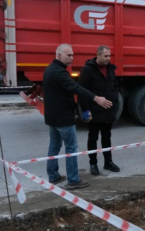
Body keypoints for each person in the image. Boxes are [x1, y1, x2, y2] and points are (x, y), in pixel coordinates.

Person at [43, 43, 112, 190]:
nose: (72, 58)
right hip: (63, 117)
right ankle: (73, 180)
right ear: (58, 55)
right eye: (68, 55)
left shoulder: (50, 69)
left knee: (54, 146)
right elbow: (76, 88)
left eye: (73, 54)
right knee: (71, 147)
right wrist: (96, 98)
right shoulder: (60, 72)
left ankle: (53, 176)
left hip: (52, 117)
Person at [78, 45, 120, 176]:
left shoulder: (111, 69)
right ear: (98, 55)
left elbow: (115, 87)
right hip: (94, 110)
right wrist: (86, 110)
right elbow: (82, 91)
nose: (108, 58)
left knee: (107, 137)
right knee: (93, 138)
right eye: (105, 56)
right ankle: (93, 163)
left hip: (108, 111)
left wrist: (114, 101)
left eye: (109, 56)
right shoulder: (87, 70)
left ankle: (108, 162)